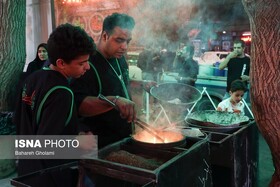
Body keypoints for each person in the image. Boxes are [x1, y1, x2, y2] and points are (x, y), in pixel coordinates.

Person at [14, 23, 97, 187]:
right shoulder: (62, 92)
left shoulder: (33, 78)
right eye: (81, 63)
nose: (87, 67)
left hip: (26, 170)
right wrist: (80, 144)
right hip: (50, 177)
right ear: (61, 63)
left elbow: (20, 121)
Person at [70, 13, 137, 149]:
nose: (124, 47)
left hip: (124, 138)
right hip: (101, 144)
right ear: (105, 36)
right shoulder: (87, 63)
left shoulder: (120, 58)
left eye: (127, 41)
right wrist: (115, 101)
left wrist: (142, 84)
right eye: (119, 40)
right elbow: (79, 104)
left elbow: (120, 81)